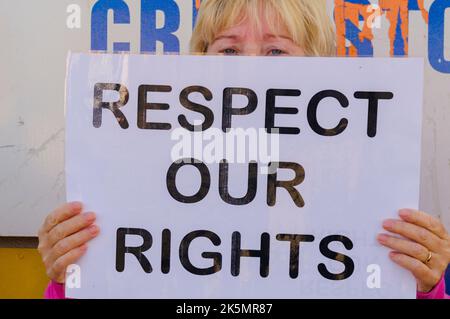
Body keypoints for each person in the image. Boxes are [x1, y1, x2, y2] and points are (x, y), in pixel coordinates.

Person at [39, 0, 450, 299]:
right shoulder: (141, 188)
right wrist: (68, 277)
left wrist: (423, 287)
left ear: (324, 70)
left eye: (276, 51)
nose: (250, 69)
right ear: (197, 66)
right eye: (229, 50)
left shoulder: (367, 191)